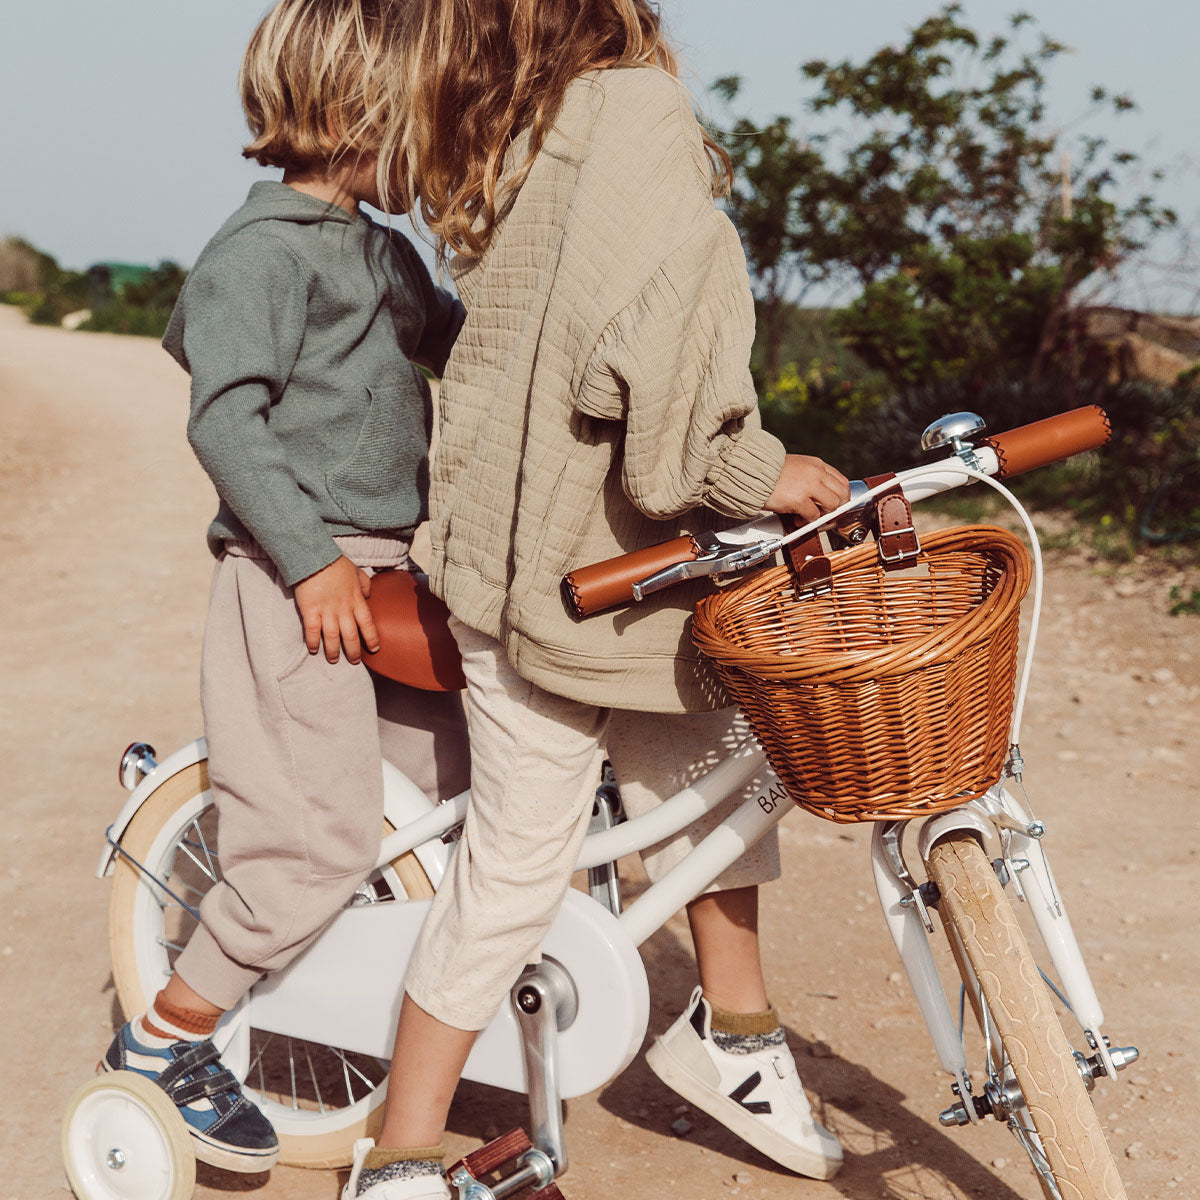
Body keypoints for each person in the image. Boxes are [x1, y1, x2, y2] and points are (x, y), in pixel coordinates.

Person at [338, 4, 852, 1198]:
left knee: (696, 754)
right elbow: (656, 370)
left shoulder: (515, 138)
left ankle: (733, 1026)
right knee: (542, 851)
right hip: (586, 566)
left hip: (521, 552)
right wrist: (753, 471)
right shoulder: (640, 110)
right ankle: (404, 1151)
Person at [98, 0, 467, 1174]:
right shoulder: (257, 254)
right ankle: (164, 1037)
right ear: (364, 115)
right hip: (298, 573)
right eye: (423, 116)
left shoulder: (375, 247)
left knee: (435, 802)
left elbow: (458, 341)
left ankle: (338, 998)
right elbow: (225, 417)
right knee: (315, 840)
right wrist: (310, 561)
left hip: (396, 576)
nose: (433, 140)